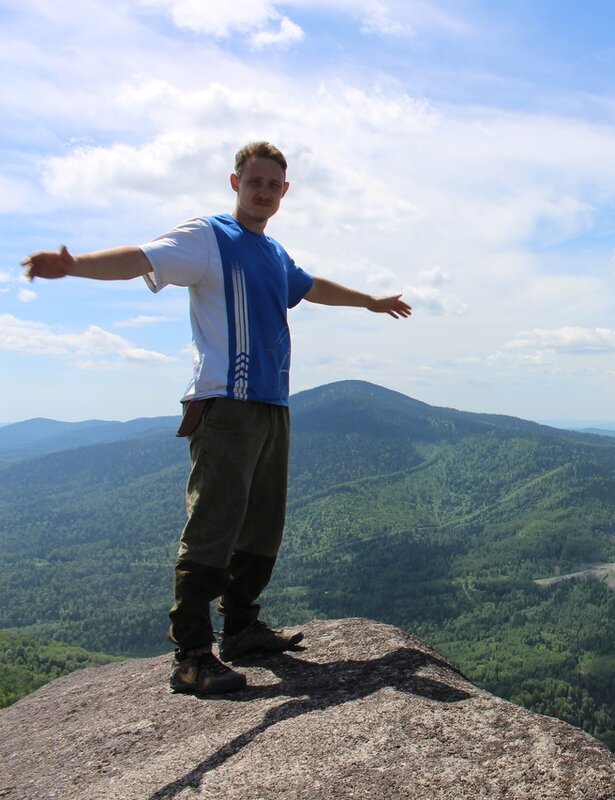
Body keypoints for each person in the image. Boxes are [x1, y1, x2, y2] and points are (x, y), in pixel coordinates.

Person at [22, 141, 412, 695]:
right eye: (254, 182)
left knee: (261, 524)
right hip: (225, 403)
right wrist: (75, 267)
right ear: (235, 183)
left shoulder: (273, 252)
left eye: (273, 185)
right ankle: (191, 655)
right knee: (214, 525)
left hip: (272, 403)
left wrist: (369, 301)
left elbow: (309, 286)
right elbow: (141, 257)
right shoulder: (207, 237)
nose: (263, 192)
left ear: (285, 191)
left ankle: (242, 628)